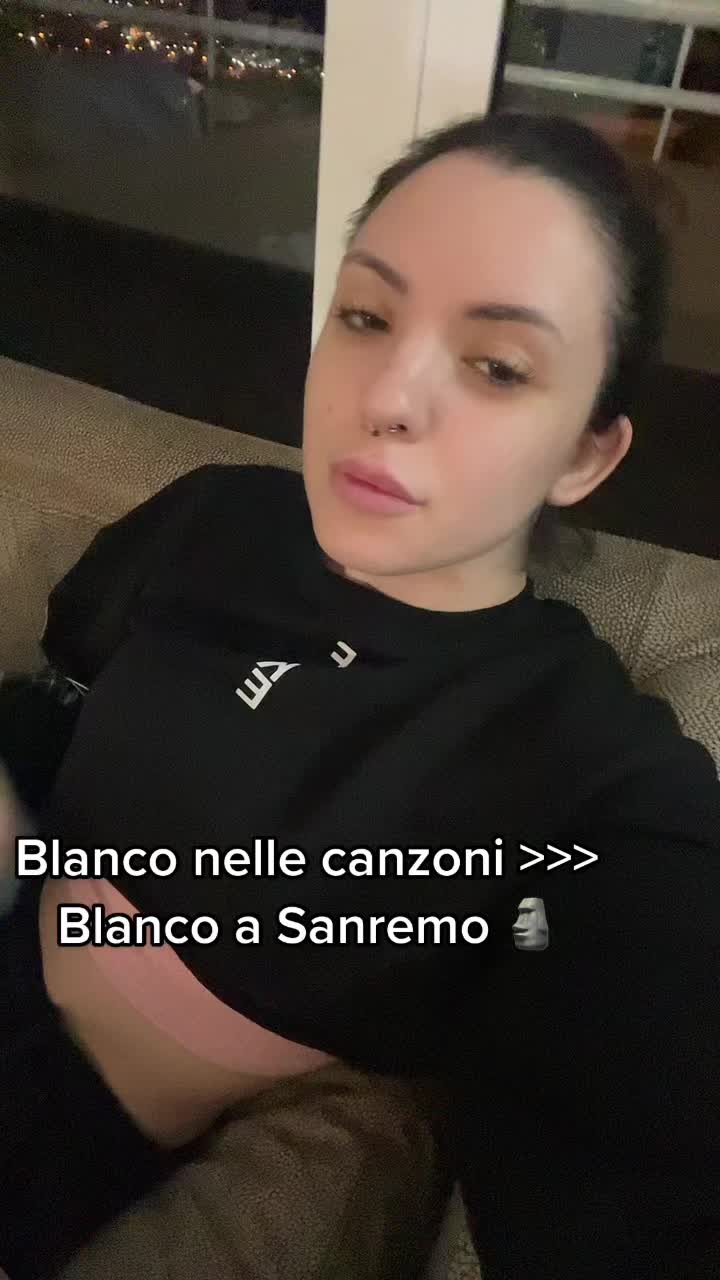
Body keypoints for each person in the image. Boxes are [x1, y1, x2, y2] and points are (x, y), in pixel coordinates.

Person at [0, 110, 718, 1280]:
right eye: (367, 315)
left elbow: (653, 1087)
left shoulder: (579, 758)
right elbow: (58, 698)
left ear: (586, 454)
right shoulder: (219, 515)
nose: (387, 393)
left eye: (498, 365)